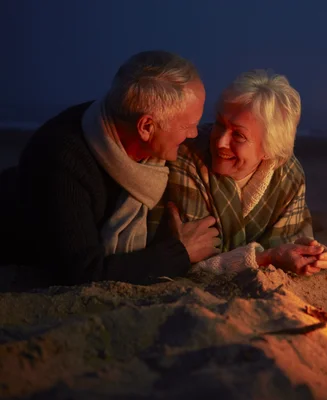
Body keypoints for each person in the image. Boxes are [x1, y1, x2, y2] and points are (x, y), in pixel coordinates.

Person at [0, 50, 220, 288]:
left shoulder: (123, 124)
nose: (193, 134)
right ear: (146, 127)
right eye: (188, 125)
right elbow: (82, 273)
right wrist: (180, 252)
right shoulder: (62, 162)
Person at [148, 69, 327, 277]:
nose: (220, 142)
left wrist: (305, 254)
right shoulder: (187, 156)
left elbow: (285, 246)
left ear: (269, 150)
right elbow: (193, 263)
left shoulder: (288, 174)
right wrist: (267, 257)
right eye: (219, 124)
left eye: (238, 135)